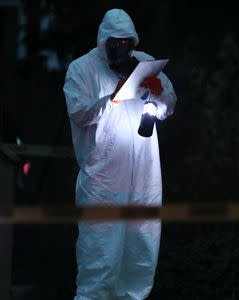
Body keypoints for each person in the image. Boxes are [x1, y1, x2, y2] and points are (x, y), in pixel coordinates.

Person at [63, 8, 177, 299]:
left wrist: (158, 92)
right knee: (99, 260)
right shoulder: (82, 69)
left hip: (143, 176)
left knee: (140, 256)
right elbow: (79, 112)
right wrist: (114, 95)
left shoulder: (146, 65)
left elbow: (168, 108)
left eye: (127, 43)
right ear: (104, 41)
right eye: (115, 42)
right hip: (103, 180)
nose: (121, 48)